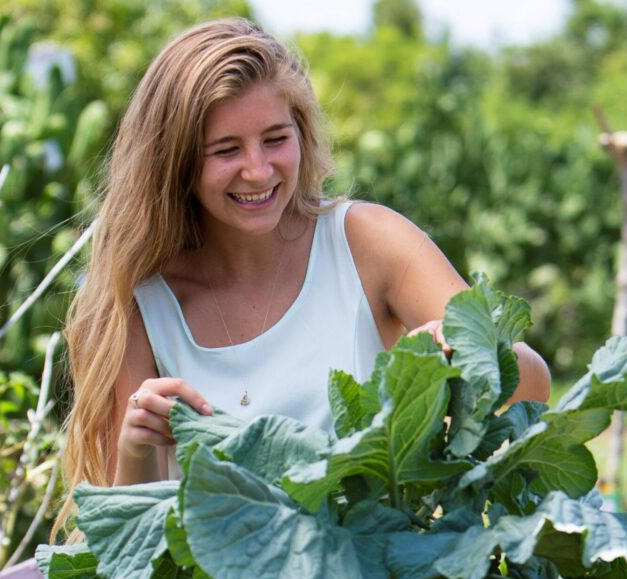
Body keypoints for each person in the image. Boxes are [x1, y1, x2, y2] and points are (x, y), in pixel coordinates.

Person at [53, 18, 550, 537]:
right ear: (177, 162)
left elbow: (533, 387)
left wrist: (468, 349)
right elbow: (127, 542)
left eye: (275, 139)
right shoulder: (138, 302)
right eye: (226, 150)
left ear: (301, 133)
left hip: (375, 578)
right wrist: (136, 447)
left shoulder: (369, 242)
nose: (258, 170)